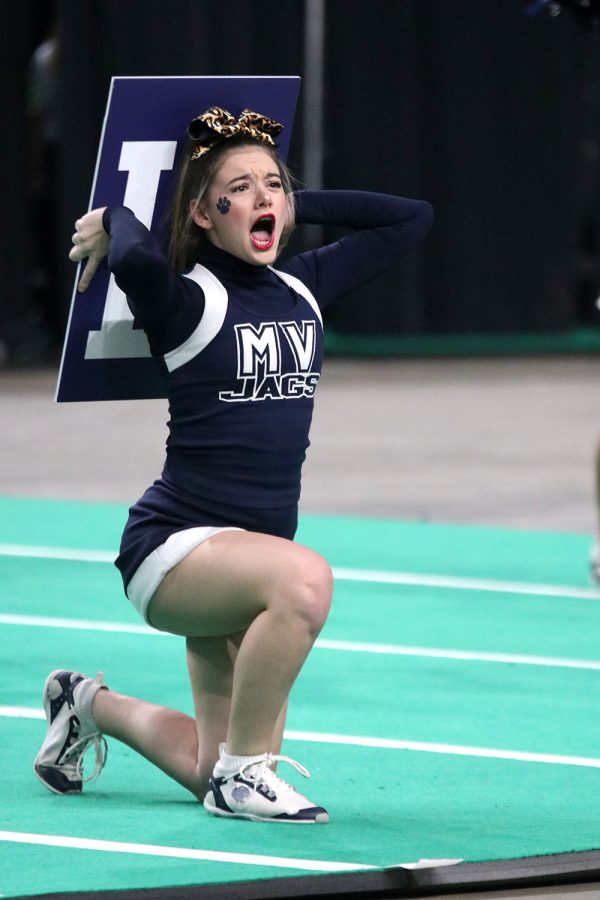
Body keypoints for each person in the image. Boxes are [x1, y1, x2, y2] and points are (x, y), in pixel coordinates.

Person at [33, 106, 433, 823]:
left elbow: (411, 219)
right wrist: (116, 216)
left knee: (201, 765)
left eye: (272, 185)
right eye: (240, 189)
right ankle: (245, 778)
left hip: (247, 561)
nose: (263, 199)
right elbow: (134, 260)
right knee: (307, 583)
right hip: (175, 549)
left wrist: (284, 201)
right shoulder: (188, 299)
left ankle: (84, 704)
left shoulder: (304, 284)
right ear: (202, 214)